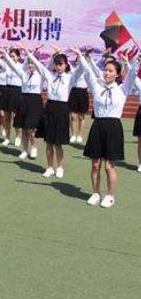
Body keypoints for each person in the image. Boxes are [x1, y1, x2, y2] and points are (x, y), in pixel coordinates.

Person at [72, 48, 138, 208]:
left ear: (117, 74)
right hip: (98, 126)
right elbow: (88, 73)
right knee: (95, 164)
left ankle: (110, 196)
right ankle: (95, 193)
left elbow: (132, 75)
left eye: (110, 71)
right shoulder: (97, 87)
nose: (106, 73)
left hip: (113, 127)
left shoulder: (123, 89)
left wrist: (137, 61)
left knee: (109, 166)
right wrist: (81, 56)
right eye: (105, 70)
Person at [26, 47, 83, 178]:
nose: (58, 67)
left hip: (62, 109)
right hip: (49, 108)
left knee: (58, 143)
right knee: (48, 142)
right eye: (56, 64)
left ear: (66, 64)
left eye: (61, 64)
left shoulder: (70, 78)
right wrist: (29, 53)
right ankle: (49, 167)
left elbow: (80, 70)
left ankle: (60, 167)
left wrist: (80, 55)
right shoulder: (50, 76)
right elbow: (39, 67)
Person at [1, 47, 43, 160]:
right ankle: (25, 150)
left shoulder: (41, 76)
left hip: (34, 101)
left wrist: (30, 52)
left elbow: (44, 67)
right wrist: (5, 54)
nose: (30, 65)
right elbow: (13, 65)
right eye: (29, 63)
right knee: (23, 127)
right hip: (23, 100)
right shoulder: (24, 74)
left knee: (31, 128)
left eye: (33, 63)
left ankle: (33, 147)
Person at [0, 48, 23, 147]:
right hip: (8, 91)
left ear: (18, 57)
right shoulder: (6, 67)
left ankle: (18, 136)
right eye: (10, 56)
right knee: (7, 117)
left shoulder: (21, 67)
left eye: (14, 56)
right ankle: (7, 137)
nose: (12, 58)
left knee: (16, 116)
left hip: (17, 92)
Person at [68, 58, 90, 144]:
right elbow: (66, 63)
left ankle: (80, 135)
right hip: (74, 91)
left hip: (83, 92)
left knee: (81, 116)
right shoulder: (74, 70)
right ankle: (73, 134)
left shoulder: (87, 70)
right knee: (73, 116)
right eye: (78, 60)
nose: (80, 62)